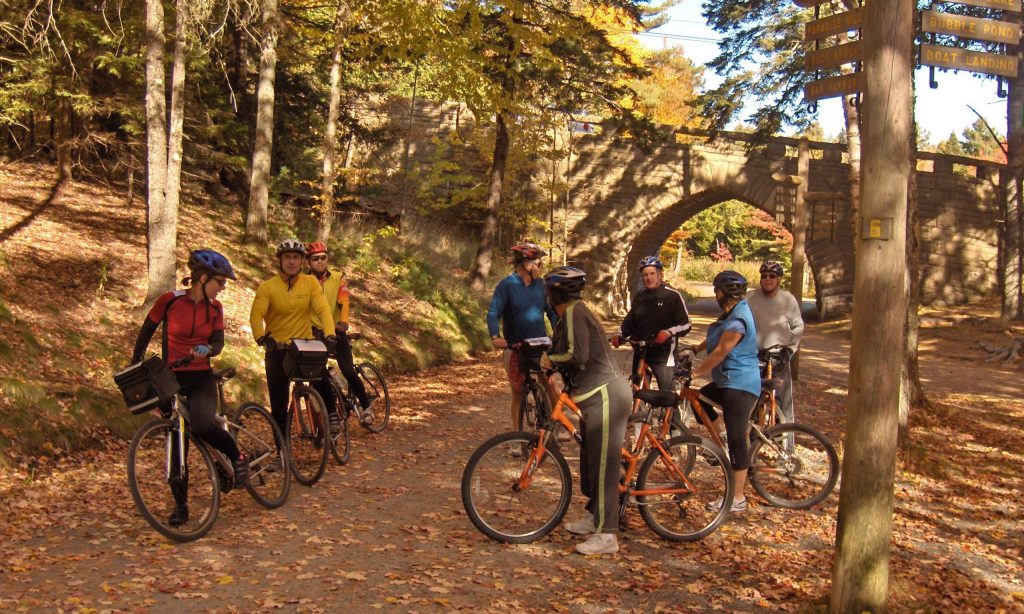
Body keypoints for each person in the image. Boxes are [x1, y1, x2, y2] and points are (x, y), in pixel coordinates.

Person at [131, 249, 247, 526]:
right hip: (170, 380)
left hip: (201, 378)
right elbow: (146, 332)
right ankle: (181, 505)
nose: (222, 288)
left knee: (203, 425)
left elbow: (218, 344)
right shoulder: (169, 302)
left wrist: (207, 349)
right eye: (220, 282)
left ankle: (236, 457)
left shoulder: (216, 308)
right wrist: (135, 363)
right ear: (202, 278)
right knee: (177, 442)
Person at [541, 266, 629, 555]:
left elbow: (576, 354)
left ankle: (608, 536)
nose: (545, 295)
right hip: (592, 397)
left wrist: (551, 359)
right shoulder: (566, 315)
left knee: (604, 465)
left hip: (606, 395)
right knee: (590, 461)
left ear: (556, 292)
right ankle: (594, 517)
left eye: (548, 290)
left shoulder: (575, 312)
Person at [249, 239, 337, 440]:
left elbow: (322, 309)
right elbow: (256, 314)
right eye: (287, 257)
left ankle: (331, 413)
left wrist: (330, 334)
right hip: (277, 348)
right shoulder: (267, 287)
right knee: (278, 406)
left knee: (321, 376)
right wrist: (261, 337)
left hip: (303, 346)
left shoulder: (311, 283)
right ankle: (283, 453)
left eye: (295, 257)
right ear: (280, 260)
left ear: (302, 261)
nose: (291, 262)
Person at [690, 270, 761, 513]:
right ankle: (719, 434)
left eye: (716, 289)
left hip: (740, 384)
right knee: (698, 400)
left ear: (724, 293)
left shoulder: (738, 319)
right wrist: (694, 349)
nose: (715, 293)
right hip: (727, 381)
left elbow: (721, 351)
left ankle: (738, 498)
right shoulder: (731, 313)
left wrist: (695, 373)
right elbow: (715, 339)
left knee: (737, 441)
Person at [486, 243, 557, 431]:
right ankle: (517, 438)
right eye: (538, 264)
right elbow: (493, 312)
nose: (540, 268)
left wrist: (559, 332)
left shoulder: (542, 285)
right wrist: (495, 336)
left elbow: (551, 312)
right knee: (517, 393)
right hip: (515, 346)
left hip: (540, 345)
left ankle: (557, 427)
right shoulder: (507, 285)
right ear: (526, 263)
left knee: (550, 385)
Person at [305, 241, 374, 426]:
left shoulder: (338, 277)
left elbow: (344, 301)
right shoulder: (303, 280)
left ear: (327, 258)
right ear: (308, 262)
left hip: (335, 329)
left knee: (348, 371)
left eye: (323, 258)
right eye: (315, 259)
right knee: (318, 373)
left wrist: (343, 323)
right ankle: (335, 407)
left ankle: (367, 407)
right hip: (314, 332)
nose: (320, 261)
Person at [614, 255, 692, 391]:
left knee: (668, 396)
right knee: (637, 390)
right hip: (641, 350)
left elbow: (686, 324)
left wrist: (669, 332)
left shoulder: (672, 296)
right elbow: (630, 321)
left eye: (652, 273)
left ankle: (673, 413)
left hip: (663, 353)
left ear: (660, 274)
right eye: (645, 275)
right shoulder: (640, 296)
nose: (649, 278)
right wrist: (620, 335)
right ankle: (639, 411)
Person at [745, 260, 804, 433]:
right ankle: (752, 440)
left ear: (779, 280)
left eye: (772, 276)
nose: (767, 280)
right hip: (756, 356)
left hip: (779, 355)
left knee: (784, 403)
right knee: (751, 399)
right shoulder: (750, 298)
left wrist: (791, 348)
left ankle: (786, 449)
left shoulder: (788, 299)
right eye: (764, 276)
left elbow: (798, 327)